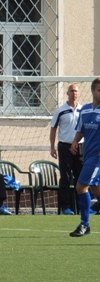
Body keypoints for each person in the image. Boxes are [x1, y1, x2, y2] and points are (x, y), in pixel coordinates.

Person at [69, 78, 100, 237]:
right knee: (96, 189)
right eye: (99, 90)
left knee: (81, 187)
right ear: (93, 91)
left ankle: (84, 224)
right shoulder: (85, 110)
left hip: (97, 157)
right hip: (87, 155)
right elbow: (81, 130)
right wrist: (75, 141)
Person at [49, 84, 82, 215]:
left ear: (79, 93)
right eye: (71, 91)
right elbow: (53, 129)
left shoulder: (83, 110)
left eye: (76, 91)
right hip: (65, 147)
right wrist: (52, 147)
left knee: (80, 177)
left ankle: (80, 206)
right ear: (67, 93)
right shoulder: (60, 111)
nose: (74, 93)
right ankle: (66, 207)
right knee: (66, 177)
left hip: (80, 147)